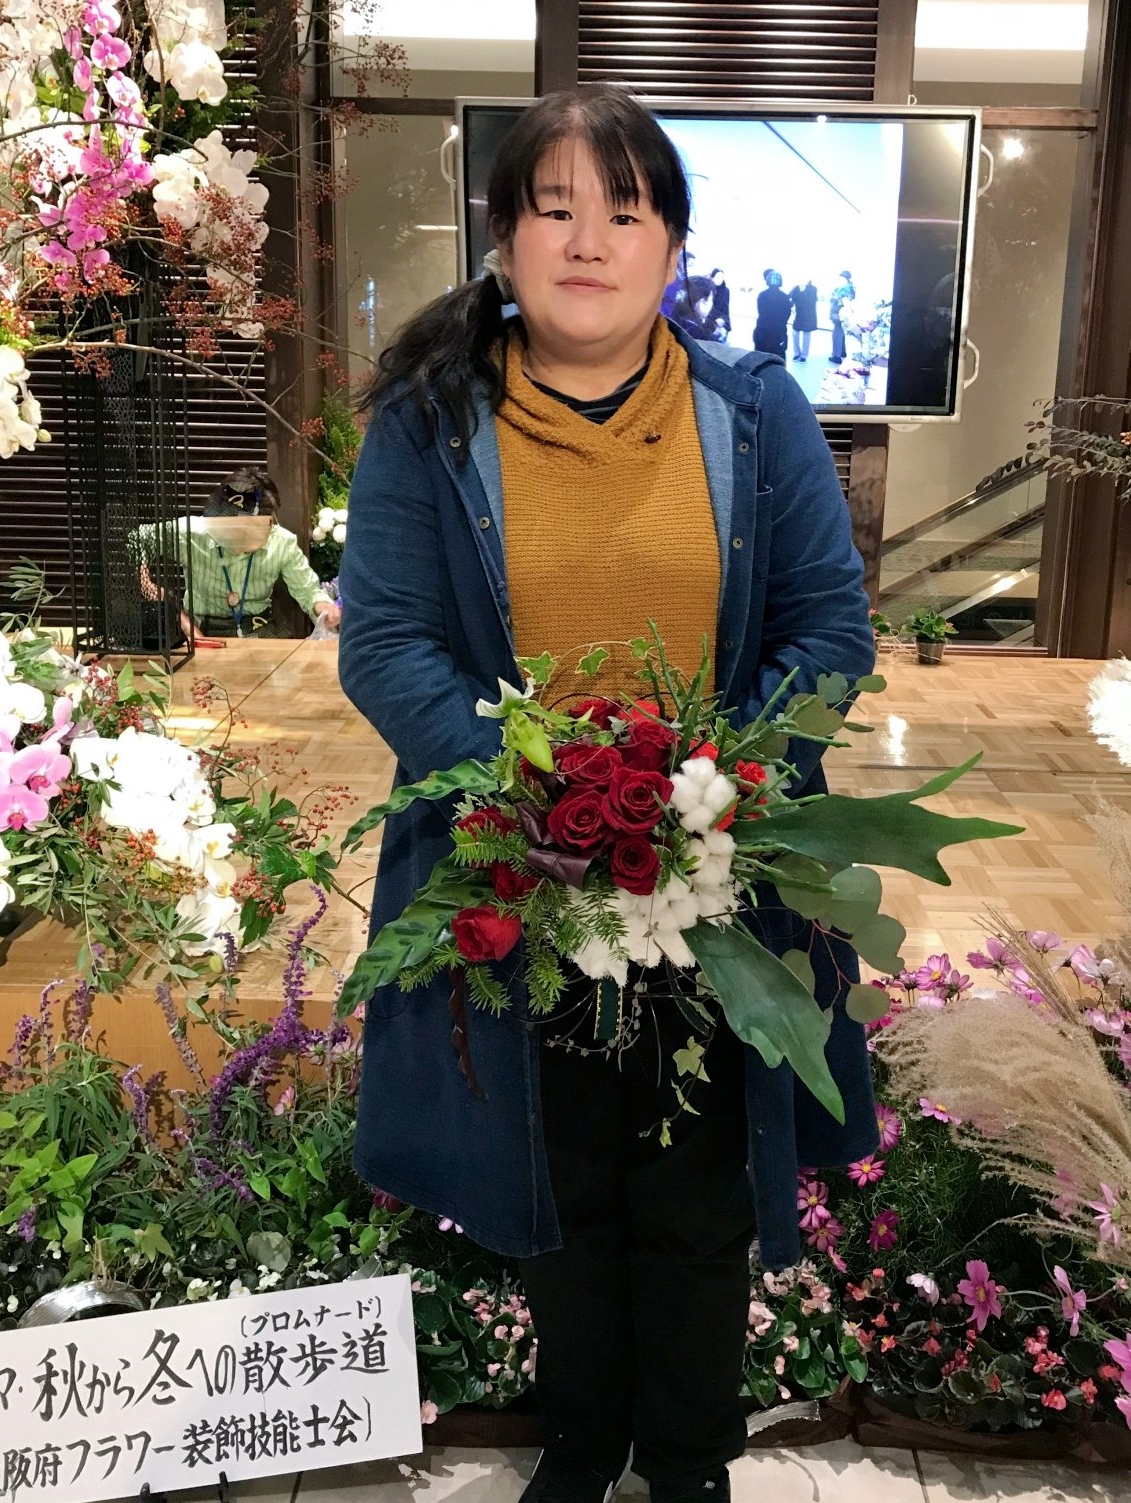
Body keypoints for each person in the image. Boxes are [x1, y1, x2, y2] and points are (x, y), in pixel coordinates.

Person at [338, 86, 877, 1503]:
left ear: (672, 246)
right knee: (554, 1165)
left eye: (623, 211)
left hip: (722, 866)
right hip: (514, 868)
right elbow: (387, 642)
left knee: (698, 1179)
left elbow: (827, 632)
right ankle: (580, 1442)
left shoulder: (752, 413)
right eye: (554, 208)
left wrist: (710, 795)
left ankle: (689, 1458)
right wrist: (533, 796)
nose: (588, 241)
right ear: (503, 237)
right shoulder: (428, 421)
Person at [134, 468, 340, 643]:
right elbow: (137, 538)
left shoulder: (282, 542)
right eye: (234, 530)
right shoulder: (192, 533)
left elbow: (307, 591)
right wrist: (146, 583)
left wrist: (322, 607)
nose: (241, 538)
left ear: (270, 521)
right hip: (201, 631)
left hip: (259, 629)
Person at [752, 268, 791, 358]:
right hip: (779, 332)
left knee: (761, 358)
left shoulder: (762, 295)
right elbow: (787, 314)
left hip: (763, 330)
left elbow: (760, 311)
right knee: (777, 359)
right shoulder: (784, 297)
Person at [788, 277, 818, 362]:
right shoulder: (795, 288)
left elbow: (811, 300)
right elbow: (789, 297)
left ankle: (804, 355)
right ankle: (797, 353)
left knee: (806, 334)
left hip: (809, 315)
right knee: (795, 333)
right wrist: (791, 305)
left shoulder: (813, 289)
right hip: (799, 314)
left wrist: (802, 291)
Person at [829, 269, 855, 364]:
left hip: (839, 314)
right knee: (841, 334)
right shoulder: (849, 287)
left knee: (837, 335)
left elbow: (842, 301)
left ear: (844, 278)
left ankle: (836, 356)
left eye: (841, 277)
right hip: (842, 314)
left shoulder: (845, 288)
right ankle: (842, 352)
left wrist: (834, 297)